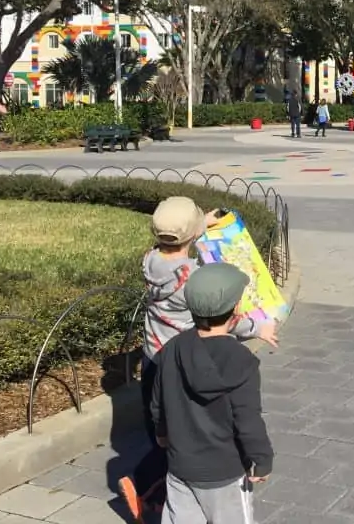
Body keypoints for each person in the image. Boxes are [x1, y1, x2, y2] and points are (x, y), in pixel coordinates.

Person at [118, 197, 278, 522]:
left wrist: (197, 226)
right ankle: (144, 481)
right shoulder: (192, 278)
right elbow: (218, 315)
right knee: (193, 427)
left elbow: (170, 243)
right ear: (192, 237)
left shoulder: (150, 262)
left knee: (167, 427)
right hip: (189, 356)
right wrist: (257, 327)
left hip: (155, 359)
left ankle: (158, 491)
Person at [151, 262, 274, 524]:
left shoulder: (172, 349)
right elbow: (248, 419)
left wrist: (161, 433)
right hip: (226, 472)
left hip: (180, 466)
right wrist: (262, 458)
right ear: (236, 310)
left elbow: (158, 401)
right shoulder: (241, 361)